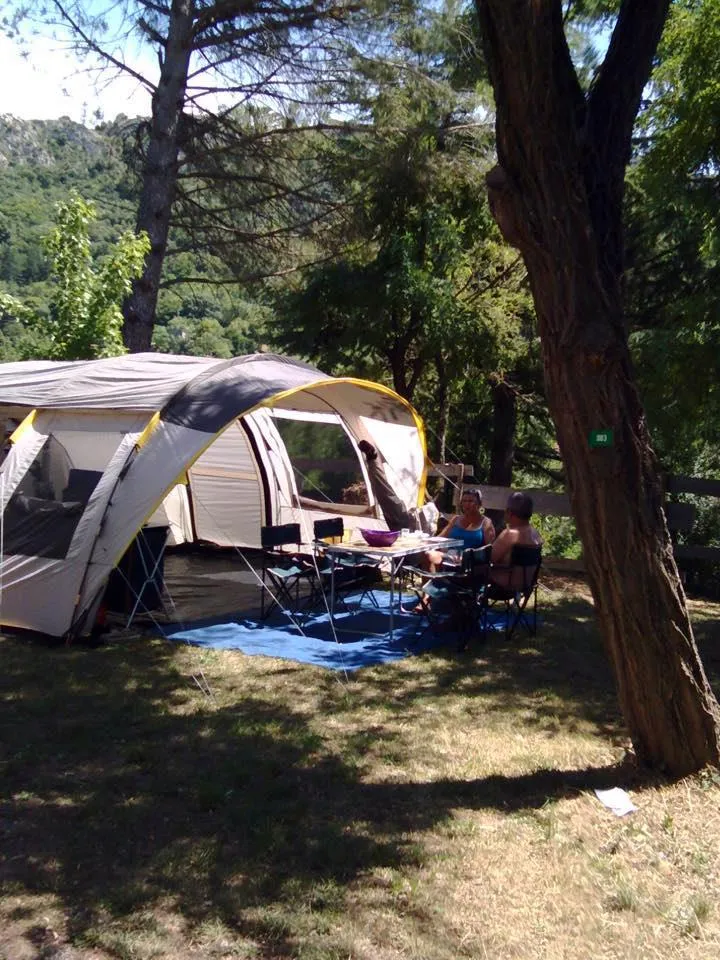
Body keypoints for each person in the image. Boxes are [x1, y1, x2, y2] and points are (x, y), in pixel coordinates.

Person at [425, 487, 495, 571]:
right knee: (428, 554)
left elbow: (489, 550)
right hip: (450, 556)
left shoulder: (486, 523)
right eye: (464, 501)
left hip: (471, 560)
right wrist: (425, 541)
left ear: (479, 504)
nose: (466, 504)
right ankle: (434, 582)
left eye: (470, 501)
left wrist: (469, 557)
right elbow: (440, 537)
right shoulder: (456, 519)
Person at [489, 491, 542, 589]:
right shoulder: (536, 534)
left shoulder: (509, 534)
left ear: (509, 512)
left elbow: (489, 558)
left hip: (502, 586)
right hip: (526, 585)